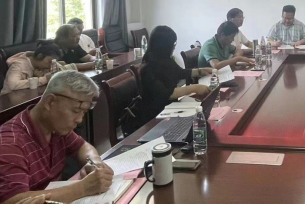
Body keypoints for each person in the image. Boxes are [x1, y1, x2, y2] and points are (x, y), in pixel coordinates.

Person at [0, 71, 114, 204]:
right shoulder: (10, 143)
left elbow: (82, 146)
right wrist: (82, 188)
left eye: (83, 112)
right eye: (76, 111)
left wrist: (95, 163)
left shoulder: (56, 127)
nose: (79, 119)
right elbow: (11, 199)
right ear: (50, 102)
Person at [140, 26, 213, 125]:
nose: (174, 47)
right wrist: (194, 88)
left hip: (171, 108)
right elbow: (167, 94)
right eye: (173, 44)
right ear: (164, 46)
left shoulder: (165, 59)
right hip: (156, 116)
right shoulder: (147, 68)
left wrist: (201, 71)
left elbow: (180, 73)